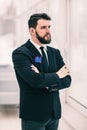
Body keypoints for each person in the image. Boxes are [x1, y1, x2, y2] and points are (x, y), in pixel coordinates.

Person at [12, 13, 71, 130]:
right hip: (34, 116)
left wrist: (46, 82)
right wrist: (58, 75)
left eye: (49, 27)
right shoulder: (21, 53)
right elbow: (34, 81)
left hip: (54, 114)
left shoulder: (54, 52)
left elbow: (67, 81)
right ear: (32, 31)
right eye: (43, 27)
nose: (48, 31)